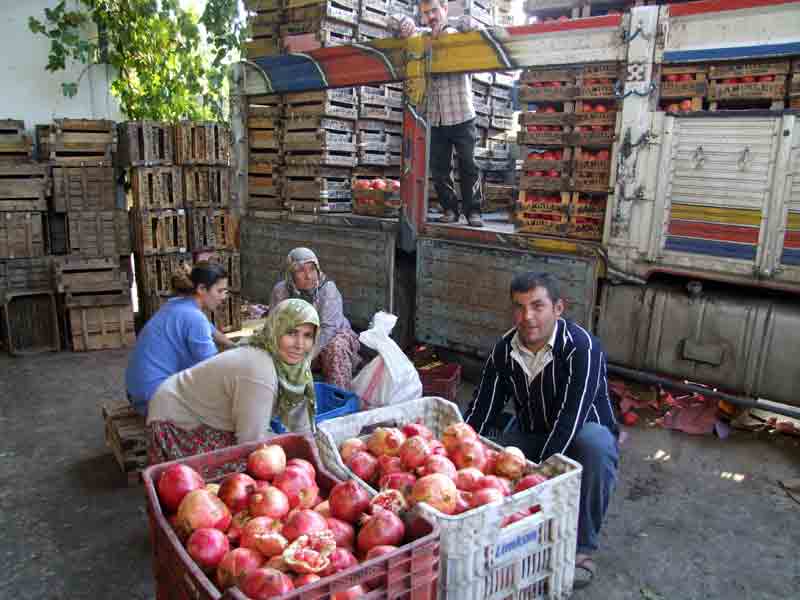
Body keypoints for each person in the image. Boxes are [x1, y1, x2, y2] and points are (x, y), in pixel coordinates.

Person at [463, 271, 619, 589]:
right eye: (519, 307)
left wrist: (539, 477)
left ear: (558, 309)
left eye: (537, 306)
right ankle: (498, 533)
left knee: (595, 445)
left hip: (579, 435)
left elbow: (571, 417)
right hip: (532, 434)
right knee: (488, 448)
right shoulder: (504, 350)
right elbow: (482, 408)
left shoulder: (581, 347)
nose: (527, 317)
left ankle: (581, 549)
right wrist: (459, 448)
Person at [146, 298, 319, 465]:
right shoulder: (259, 368)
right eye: (291, 333)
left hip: (210, 414)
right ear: (276, 330)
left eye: (308, 335)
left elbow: (302, 428)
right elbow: (250, 443)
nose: (300, 344)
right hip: (176, 417)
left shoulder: (296, 369)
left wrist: (312, 457)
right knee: (237, 473)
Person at [396, 0, 484, 228]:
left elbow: (481, 35)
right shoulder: (423, 37)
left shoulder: (458, 32)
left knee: (468, 164)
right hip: (436, 116)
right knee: (440, 168)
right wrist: (402, 22)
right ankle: (450, 209)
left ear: (445, 8)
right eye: (426, 13)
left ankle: (473, 211)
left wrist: (472, 23)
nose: (431, 16)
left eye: (434, 10)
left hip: (462, 113)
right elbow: (398, 24)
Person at [126, 261, 234, 416]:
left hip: (136, 392)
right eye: (220, 291)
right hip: (153, 401)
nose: (224, 297)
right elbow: (213, 367)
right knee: (223, 402)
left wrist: (232, 345)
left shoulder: (178, 304)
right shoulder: (195, 318)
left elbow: (209, 328)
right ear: (202, 289)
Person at [270, 247, 360, 391]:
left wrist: (306, 356)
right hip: (301, 339)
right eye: (300, 270)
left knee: (336, 348)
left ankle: (338, 396)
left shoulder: (327, 289)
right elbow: (275, 325)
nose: (308, 276)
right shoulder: (281, 291)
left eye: (312, 269)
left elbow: (328, 329)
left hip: (329, 337)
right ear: (291, 274)